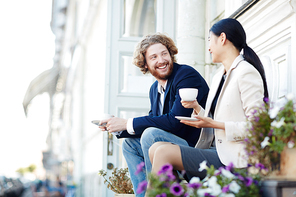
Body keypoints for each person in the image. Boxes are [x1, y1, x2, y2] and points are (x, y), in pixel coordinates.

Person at [148, 18, 269, 180]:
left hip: (235, 159)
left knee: (163, 152)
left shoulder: (246, 73)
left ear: (222, 39)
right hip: (215, 150)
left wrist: (213, 124)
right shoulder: (219, 75)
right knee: (155, 148)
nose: (209, 47)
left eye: (210, 40)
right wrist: (197, 107)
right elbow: (215, 119)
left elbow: (257, 128)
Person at [99, 32, 209, 196]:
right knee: (130, 144)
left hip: (196, 148)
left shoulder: (185, 75)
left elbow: (175, 122)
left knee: (151, 134)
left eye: (164, 54)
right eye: (154, 57)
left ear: (171, 55)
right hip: (174, 145)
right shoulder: (154, 90)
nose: (161, 60)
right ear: (145, 64)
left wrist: (128, 122)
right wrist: (116, 126)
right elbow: (154, 122)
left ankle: (156, 193)